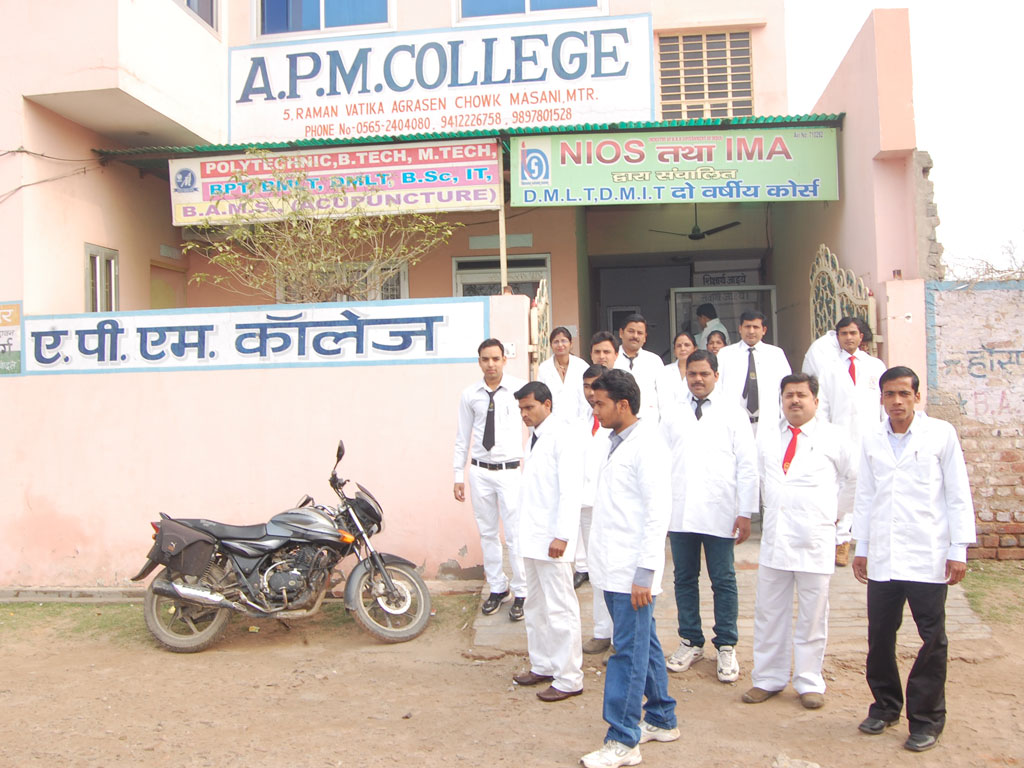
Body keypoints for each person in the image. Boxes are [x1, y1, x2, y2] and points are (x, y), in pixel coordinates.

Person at [852, 366, 976, 753]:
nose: (897, 401)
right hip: (884, 554)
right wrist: (861, 546)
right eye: (889, 394)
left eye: (904, 393)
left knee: (932, 638)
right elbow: (865, 495)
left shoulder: (940, 434)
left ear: (917, 397)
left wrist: (958, 549)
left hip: (928, 553)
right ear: (881, 399)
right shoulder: (872, 438)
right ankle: (885, 706)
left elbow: (957, 493)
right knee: (879, 636)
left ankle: (926, 719)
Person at [580, 369, 677, 768]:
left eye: (600, 404)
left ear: (623, 404)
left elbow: (657, 513)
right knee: (644, 644)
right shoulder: (614, 442)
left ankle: (623, 739)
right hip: (612, 565)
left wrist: (645, 573)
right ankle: (662, 717)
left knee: (628, 655)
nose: (595, 411)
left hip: (632, 572)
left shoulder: (647, 446)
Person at [744, 373, 854, 710]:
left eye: (801, 395)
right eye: (788, 395)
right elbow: (758, 477)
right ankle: (768, 678)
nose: (794, 400)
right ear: (781, 400)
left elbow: (853, 481)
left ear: (815, 401)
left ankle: (809, 681)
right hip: (776, 538)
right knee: (769, 612)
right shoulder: (768, 437)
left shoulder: (834, 437)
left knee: (812, 614)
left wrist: (833, 514)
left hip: (814, 537)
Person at [661, 350, 757, 683]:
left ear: (716, 375)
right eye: (692, 374)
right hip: (681, 509)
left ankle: (726, 644)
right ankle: (690, 640)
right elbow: (660, 460)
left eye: (704, 373)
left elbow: (747, 465)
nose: (698, 379)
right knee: (684, 578)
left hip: (720, 509)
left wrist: (745, 511)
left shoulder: (733, 413)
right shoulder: (672, 412)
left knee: (723, 579)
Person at [511, 381, 585, 702]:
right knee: (535, 605)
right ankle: (542, 664)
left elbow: (570, 490)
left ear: (547, 405)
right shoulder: (534, 437)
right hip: (532, 536)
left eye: (529, 408)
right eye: (521, 409)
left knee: (560, 608)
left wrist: (563, 535)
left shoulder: (563, 436)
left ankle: (569, 677)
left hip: (554, 539)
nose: (524, 414)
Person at [453, 339, 528, 621]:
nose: (491, 364)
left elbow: (535, 427)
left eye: (496, 359)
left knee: (515, 534)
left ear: (504, 360)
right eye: (485, 359)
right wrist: (457, 474)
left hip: (510, 471)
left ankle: (522, 591)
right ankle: (498, 588)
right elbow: (462, 437)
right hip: (480, 471)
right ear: (479, 362)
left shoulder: (519, 389)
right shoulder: (469, 394)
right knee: (487, 533)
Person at [817, 317, 887, 566]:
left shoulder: (875, 366)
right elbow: (822, 405)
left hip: (870, 435)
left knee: (871, 487)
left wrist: (886, 430)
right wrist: (824, 433)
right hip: (840, 435)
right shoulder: (829, 367)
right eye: (844, 333)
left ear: (861, 336)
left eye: (853, 333)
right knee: (842, 488)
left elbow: (884, 403)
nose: (848, 337)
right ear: (837, 337)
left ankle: (869, 540)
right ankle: (841, 541)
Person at [577, 364, 613, 653]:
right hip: (587, 505)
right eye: (587, 387)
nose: (591, 393)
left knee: (617, 570)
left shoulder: (618, 422)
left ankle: (621, 636)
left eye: (596, 386)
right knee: (597, 569)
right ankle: (603, 631)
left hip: (613, 507)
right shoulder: (578, 421)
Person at [717, 310, 792, 435]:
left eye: (756, 327)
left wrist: (785, 422)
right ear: (740, 329)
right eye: (747, 327)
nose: (751, 331)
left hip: (769, 426)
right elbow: (717, 389)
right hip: (733, 426)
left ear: (764, 330)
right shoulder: (725, 354)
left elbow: (786, 390)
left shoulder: (776, 354)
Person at [612, 313, 662, 421]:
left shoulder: (654, 361)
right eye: (631, 331)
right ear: (621, 333)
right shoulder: (611, 359)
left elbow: (663, 395)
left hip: (649, 421)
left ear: (645, 337)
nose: (635, 336)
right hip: (618, 421)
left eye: (640, 333)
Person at [538, 326, 590, 424]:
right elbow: (541, 396)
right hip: (553, 422)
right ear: (551, 345)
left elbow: (587, 396)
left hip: (579, 420)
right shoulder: (544, 368)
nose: (560, 345)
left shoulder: (581, 366)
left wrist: (583, 420)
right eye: (556, 342)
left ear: (571, 344)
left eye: (564, 341)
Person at [655, 331, 697, 418]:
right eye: (679, 346)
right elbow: (662, 401)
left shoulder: (700, 372)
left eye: (687, 345)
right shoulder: (664, 372)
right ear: (674, 351)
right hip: (669, 419)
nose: (683, 348)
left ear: (695, 349)